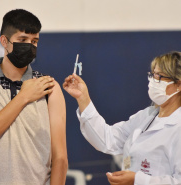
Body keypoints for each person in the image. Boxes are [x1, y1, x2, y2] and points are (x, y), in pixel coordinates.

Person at [0, 9, 68, 185]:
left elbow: (60, 157)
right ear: (4, 41)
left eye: (34, 41)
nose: (29, 45)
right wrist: (23, 97)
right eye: (22, 40)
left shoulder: (48, 86)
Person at [63, 51, 181, 185]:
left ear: (178, 84)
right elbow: (107, 139)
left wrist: (137, 180)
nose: (153, 81)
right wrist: (83, 98)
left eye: (159, 77)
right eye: (152, 75)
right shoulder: (147, 116)